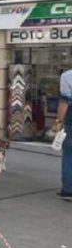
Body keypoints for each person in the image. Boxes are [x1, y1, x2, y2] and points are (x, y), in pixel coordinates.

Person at [54, 67, 72, 201]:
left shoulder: (67, 76)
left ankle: (68, 190)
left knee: (69, 154)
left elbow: (64, 102)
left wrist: (58, 121)